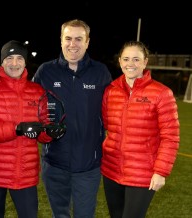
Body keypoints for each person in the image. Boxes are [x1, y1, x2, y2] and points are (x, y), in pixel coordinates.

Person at [0, 40, 64, 218]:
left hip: (24, 171)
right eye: (9, 58)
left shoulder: (37, 91)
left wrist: (50, 133)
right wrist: (17, 129)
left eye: (19, 58)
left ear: (25, 61)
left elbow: (42, 131)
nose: (14, 63)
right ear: (2, 62)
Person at [32, 19, 112, 217]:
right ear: (61, 40)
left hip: (88, 164)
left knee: (84, 214)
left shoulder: (100, 72)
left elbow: (116, 109)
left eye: (79, 39)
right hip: (54, 162)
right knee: (59, 214)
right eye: (68, 38)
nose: (72, 44)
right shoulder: (46, 71)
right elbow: (28, 104)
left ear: (87, 42)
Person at [101, 40, 180, 218]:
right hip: (111, 170)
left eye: (136, 59)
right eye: (126, 59)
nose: (131, 64)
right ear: (120, 61)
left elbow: (171, 137)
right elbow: (108, 125)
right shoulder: (110, 91)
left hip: (143, 173)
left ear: (145, 62)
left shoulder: (161, 93)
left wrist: (160, 172)